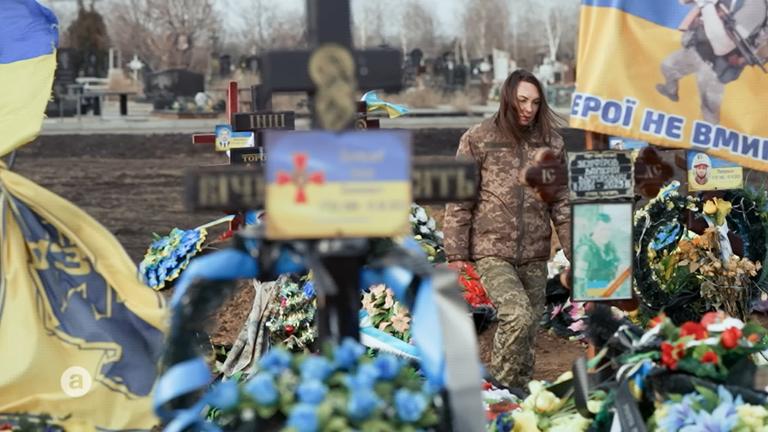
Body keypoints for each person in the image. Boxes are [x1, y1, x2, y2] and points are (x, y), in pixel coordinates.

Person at [443, 69, 571, 389]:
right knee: (517, 315)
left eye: (536, 103)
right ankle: (494, 391)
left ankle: (520, 404)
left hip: (535, 253)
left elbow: (562, 204)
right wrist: (456, 252)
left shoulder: (552, 144)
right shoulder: (478, 138)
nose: (529, 109)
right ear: (507, 99)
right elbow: (460, 198)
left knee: (527, 336)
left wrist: (577, 253)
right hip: (491, 251)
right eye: (522, 101)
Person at [656, 0, 768, 124]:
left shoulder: (755, 6)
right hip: (701, 48)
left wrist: (706, 5)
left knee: (709, 105)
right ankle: (671, 91)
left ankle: (710, 134)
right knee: (667, 65)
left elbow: (722, 47)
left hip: (721, 63)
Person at [573, 213, 620, 296]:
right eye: (602, 229)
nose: (606, 233)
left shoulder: (610, 249)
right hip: (591, 302)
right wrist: (606, 287)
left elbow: (616, 268)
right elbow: (578, 287)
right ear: (594, 229)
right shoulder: (585, 251)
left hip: (609, 298)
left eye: (609, 230)